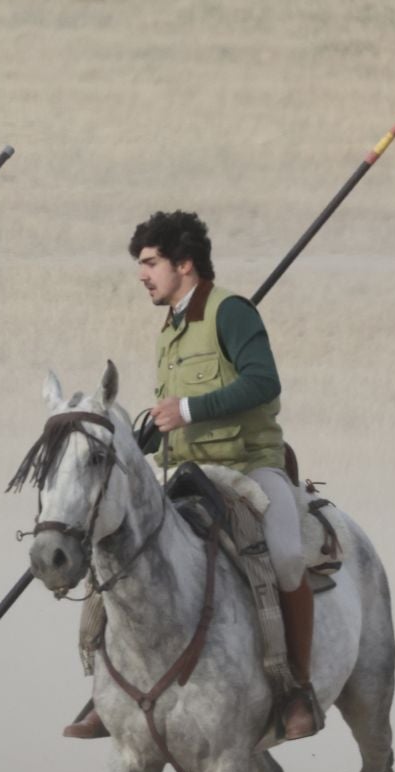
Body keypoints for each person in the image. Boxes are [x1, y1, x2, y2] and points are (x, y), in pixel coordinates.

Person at [65, 211, 319, 742]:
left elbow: (264, 384)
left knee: (287, 555)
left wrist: (190, 409)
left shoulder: (233, 313)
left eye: (151, 263)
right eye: (141, 264)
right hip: (187, 470)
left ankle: (296, 687)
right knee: (117, 539)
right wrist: (135, 446)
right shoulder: (170, 328)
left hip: (249, 466)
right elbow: (169, 416)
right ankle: (109, 686)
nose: (142, 275)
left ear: (185, 264)